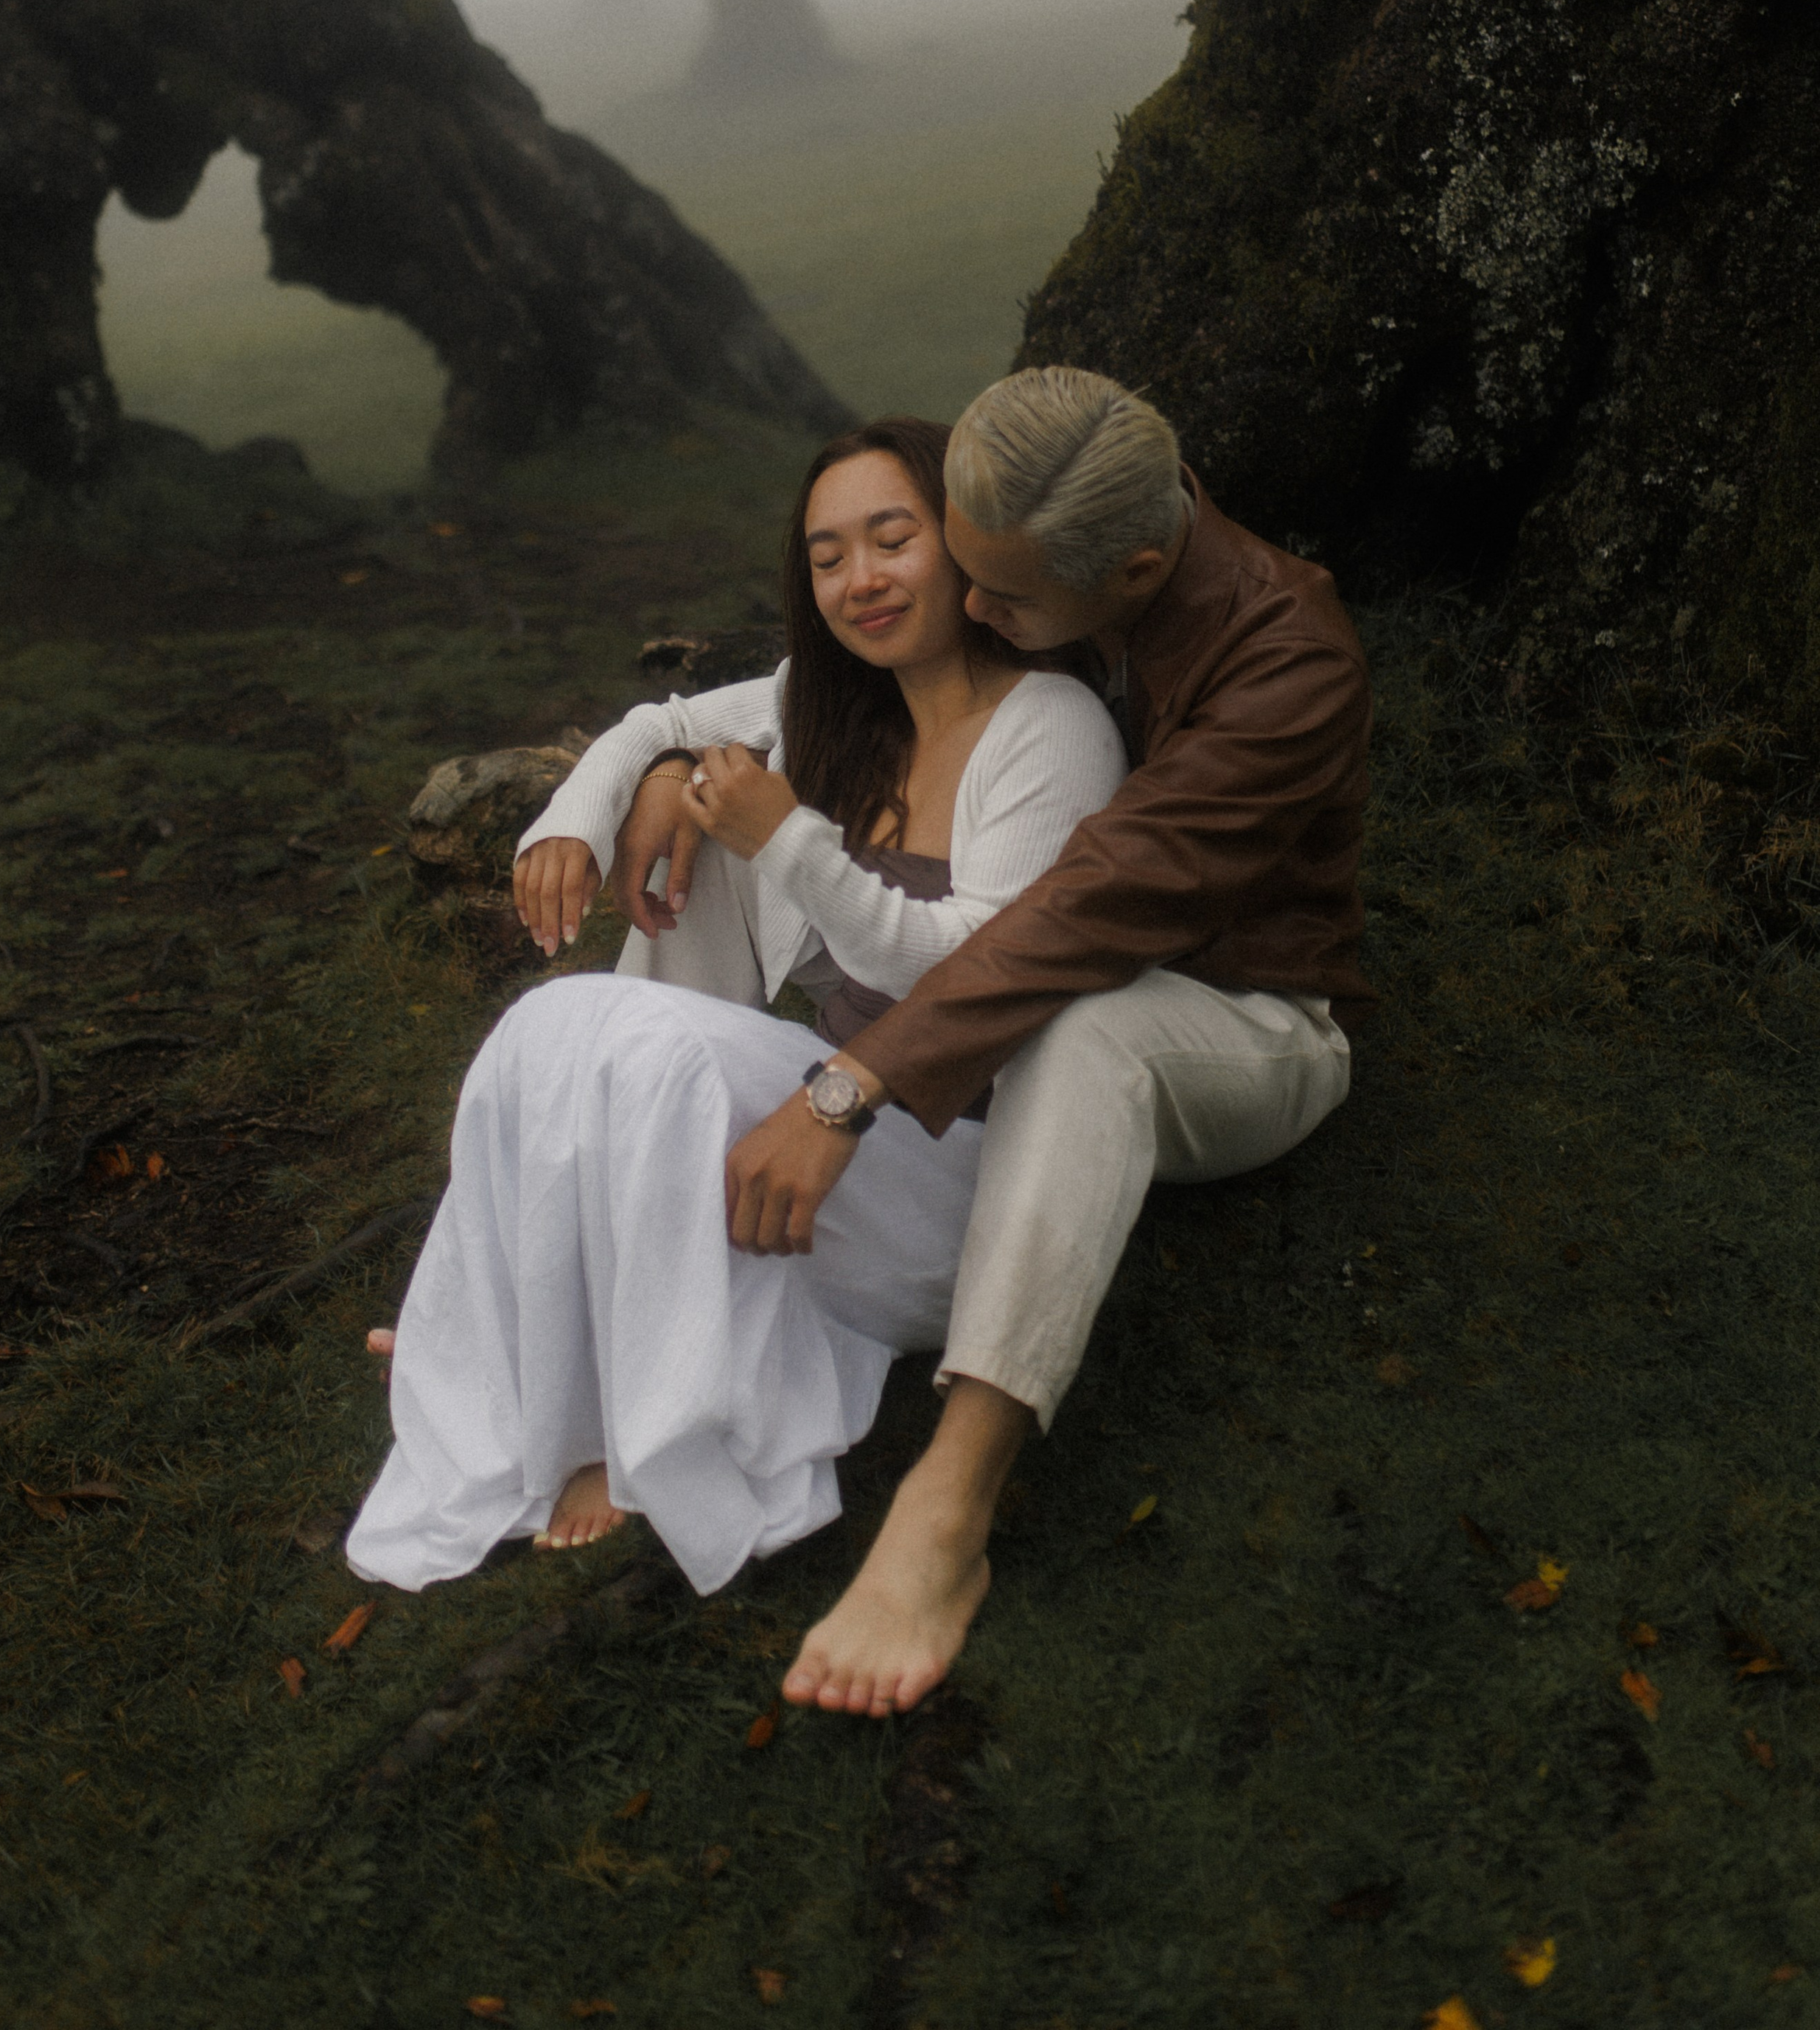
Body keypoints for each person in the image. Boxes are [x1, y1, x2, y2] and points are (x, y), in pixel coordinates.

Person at [581, 368, 1374, 1719]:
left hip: (1238, 1020)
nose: (967, 600)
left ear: (1131, 572)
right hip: (1029, 988)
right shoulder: (1069, 481)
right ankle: (596, 1303)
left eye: (997, 596)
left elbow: (1080, 919)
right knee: (1037, 1009)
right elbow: (761, 711)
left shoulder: (1285, 668)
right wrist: (662, 769)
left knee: (1090, 1032)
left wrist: (847, 1086)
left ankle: (949, 1504)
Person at [345, 418, 1124, 1620]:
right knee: (549, 1029)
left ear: (967, 546)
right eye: (826, 557)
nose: (858, 580)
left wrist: (786, 840)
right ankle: (514, 1327)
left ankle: (641, 1427)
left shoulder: (1051, 730)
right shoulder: (833, 699)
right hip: (832, 1126)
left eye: (891, 539)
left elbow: (975, 985)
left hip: (964, 1168)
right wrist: (586, 814)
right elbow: (660, 723)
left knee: (653, 1049)